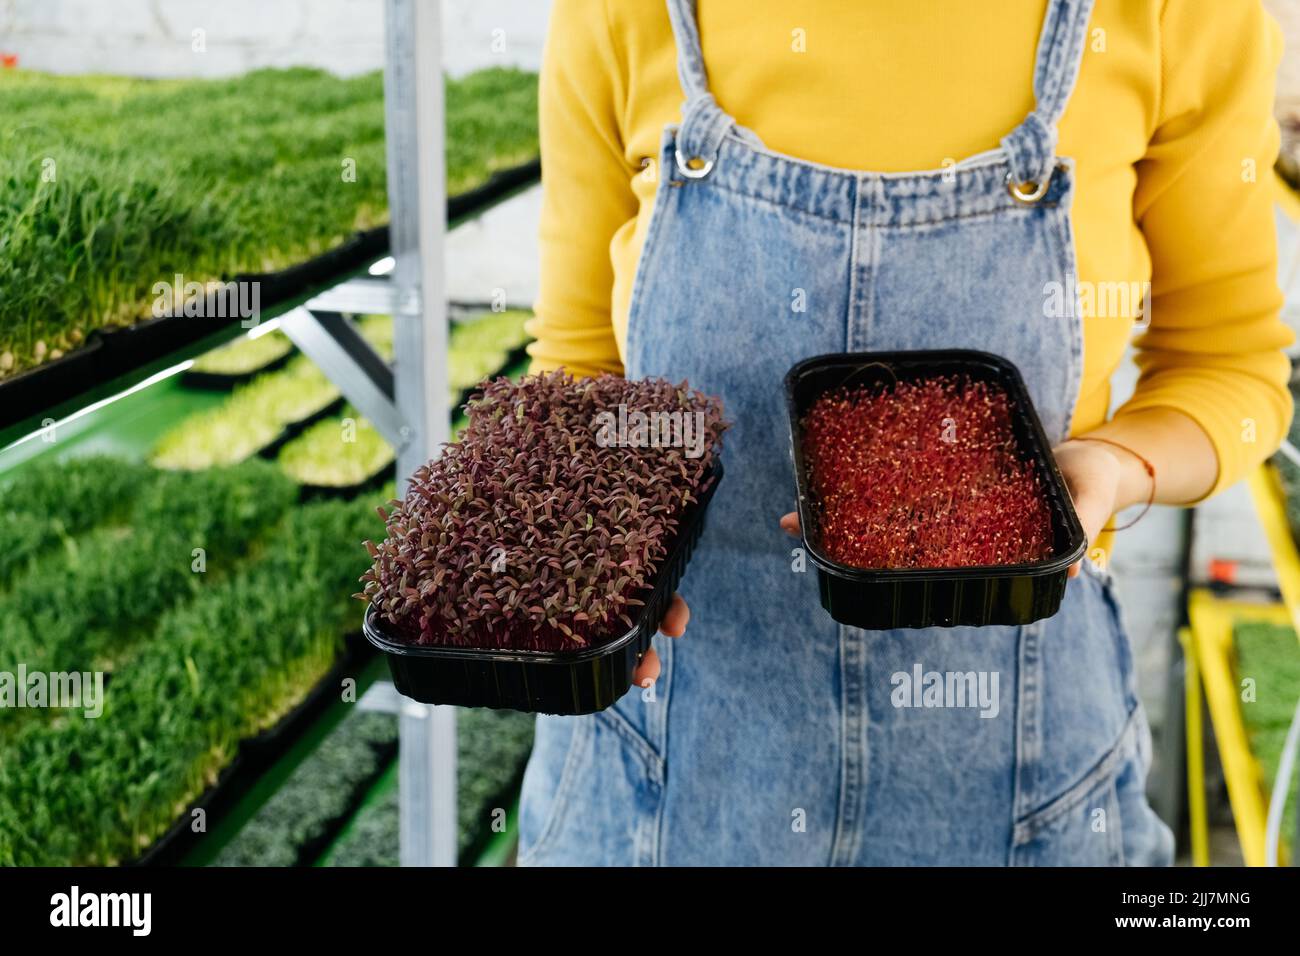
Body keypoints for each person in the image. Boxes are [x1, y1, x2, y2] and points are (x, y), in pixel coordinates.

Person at [516, 0, 1294, 865]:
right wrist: (597, 554)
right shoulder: (617, 14)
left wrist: (1112, 467)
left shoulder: (1173, 15)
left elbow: (1232, 366)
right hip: (674, 753)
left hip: (1016, 762)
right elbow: (579, 364)